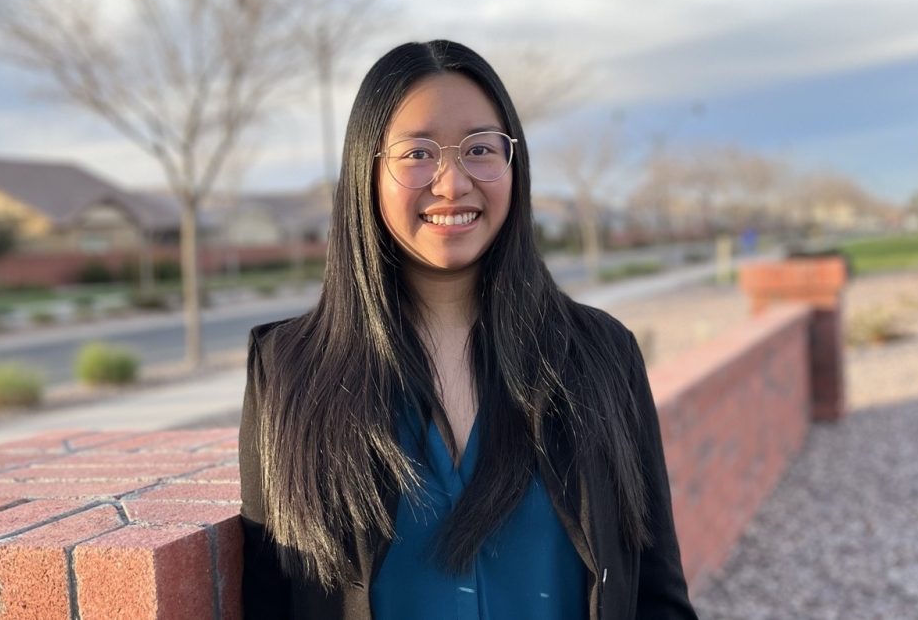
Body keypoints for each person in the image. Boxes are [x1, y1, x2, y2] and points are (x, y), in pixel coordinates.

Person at [240, 39, 698, 620]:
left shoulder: (601, 356)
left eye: (480, 148)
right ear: (367, 171)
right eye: (417, 154)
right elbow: (269, 603)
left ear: (514, 166)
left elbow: (657, 596)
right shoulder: (288, 371)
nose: (453, 182)